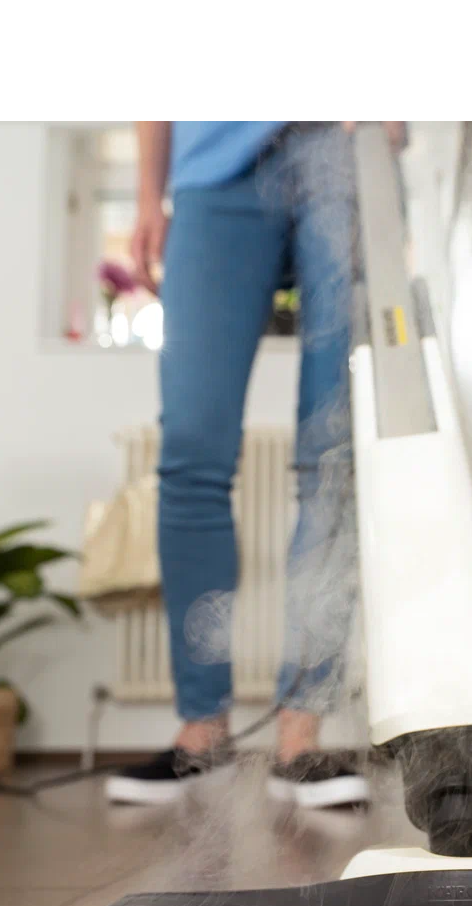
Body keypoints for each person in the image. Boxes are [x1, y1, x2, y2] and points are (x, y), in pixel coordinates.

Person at [105, 121, 404, 810]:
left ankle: (300, 735)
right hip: (214, 170)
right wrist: (149, 196)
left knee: (333, 458)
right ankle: (202, 729)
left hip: (342, 153)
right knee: (191, 456)